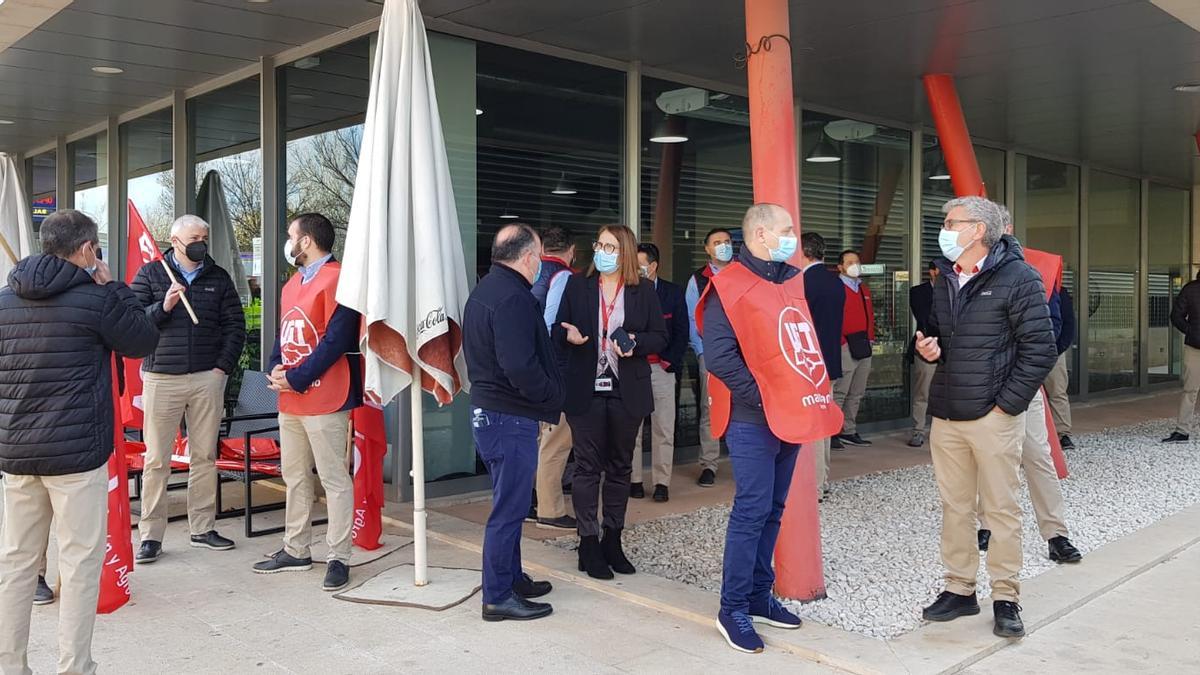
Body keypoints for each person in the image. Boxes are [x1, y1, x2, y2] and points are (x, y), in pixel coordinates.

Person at [0, 209, 159, 674]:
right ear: (88, 250)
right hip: (76, 458)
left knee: (16, 565)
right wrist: (113, 285)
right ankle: (74, 667)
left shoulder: (4, 301)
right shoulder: (96, 299)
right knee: (79, 563)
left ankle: (10, 666)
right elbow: (142, 340)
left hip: (18, 453)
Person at [915, 196, 1056, 639]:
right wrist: (932, 349)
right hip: (948, 411)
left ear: (977, 230)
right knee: (955, 507)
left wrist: (1005, 405)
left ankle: (1005, 596)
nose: (945, 228)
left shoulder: (1019, 277)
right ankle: (959, 589)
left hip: (993, 414)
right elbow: (948, 338)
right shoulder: (946, 278)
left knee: (1000, 509)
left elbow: (1041, 350)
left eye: (951, 222)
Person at [703, 204, 837, 653]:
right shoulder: (728, 285)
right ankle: (733, 607)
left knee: (774, 509)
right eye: (786, 230)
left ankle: (760, 596)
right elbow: (720, 358)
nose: (792, 237)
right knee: (752, 509)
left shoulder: (789, 281)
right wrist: (766, 397)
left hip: (790, 416)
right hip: (752, 419)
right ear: (761, 234)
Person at [251, 213, 363, 592]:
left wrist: (297, 377)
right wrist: (273, 367)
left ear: (306, 241)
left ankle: (339, 555)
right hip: (292, 399)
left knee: (333, 478)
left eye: (290, 235)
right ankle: (295, 548)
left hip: (326, 394)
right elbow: (284, 334)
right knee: (294, 477)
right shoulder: (292, 284)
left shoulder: (342, 279)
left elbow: (337, 339)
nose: (288, 241)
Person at [131, 214, 247, 563]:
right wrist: (163, 306)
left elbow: (235, 327)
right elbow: (133, 324)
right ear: (175, 239)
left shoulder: (218, 277)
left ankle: (202, 527)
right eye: (194, 236)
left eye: (205, 237)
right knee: (156, 460)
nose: (201, 243)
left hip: (206, 378)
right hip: (162, 377)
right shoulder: (151, 274)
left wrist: (220, 369)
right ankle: (151, 536)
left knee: (204, 456)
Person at [462, 224, 563, 621]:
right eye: (539, 254)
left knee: (513, 502)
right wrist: (549, 398)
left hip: (493, 412)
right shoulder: (512, 298)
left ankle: (511, 578)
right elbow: (519, 364)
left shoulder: (487, 291)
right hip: (509, 416)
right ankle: (498, 595)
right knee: (509, 508)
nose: (541, 262)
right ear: (527, 257)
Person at [554, 225, 667, 580]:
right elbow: (558, 328)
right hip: (585, 389)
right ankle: (587, 542)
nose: (603, 251)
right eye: (600, 245)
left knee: (620, 467)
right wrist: (567, 335)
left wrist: (636, 340)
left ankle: (613, 538)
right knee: (587, 467)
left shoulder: (643, 290)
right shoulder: (577, 285)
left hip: (626, 388)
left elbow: (660, 336)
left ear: (626, 253)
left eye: (611, 246)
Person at [975, 210, 1082, 565]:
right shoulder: (966, 272)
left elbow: (1046, 331)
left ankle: (1056, 533)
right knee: (987, 461)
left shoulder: (1033, 272)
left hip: (1023, 384)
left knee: (1038, 457)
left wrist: (1022, 379)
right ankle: (987, 523)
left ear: (1006, 229)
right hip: (983, 384)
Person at [630, 243, 688, 502]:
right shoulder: (627, 290)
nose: (636, 269)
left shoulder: (673, 293)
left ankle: (662, 482)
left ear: (653, 265)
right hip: (634, 368)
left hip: (662, 369)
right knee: (633, 428)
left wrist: (667, 361)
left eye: (641, 263)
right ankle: (634, 480)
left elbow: (681, 332)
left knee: (663, 427)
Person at [529, 226, 577, 530]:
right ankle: (550, 509)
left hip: (530, 369)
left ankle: (530, 502)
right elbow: (551, 324)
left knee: (538, 440)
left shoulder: (531, 272)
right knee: (556, 442)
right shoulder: (563, 277)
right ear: (571, 250)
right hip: (555, 371)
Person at [685, 227, 734, 487]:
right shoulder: (698, 280)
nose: (723, 246)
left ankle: (744, 459)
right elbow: (691, 318)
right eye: (717, 242)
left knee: (746, 407)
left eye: (727, 241)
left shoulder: (744, 274)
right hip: (712, 354)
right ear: (707, 248)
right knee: (711, 408)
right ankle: (709, 464)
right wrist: (702, 351)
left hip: (745, 353)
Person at [799, 232, 844, 499]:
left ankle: (814, 485)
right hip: (830, 361)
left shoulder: (803, 283)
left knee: (812, 427)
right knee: (823, 425)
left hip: (809, 365)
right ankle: (823, 478)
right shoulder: (835, 282)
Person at [831, 249, 875, 449]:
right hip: (845, 345)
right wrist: (840, 342)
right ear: (840, 267)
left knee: (857, 391)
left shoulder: (863, 289)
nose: (854, 265)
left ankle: (849, 429)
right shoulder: (836, 287)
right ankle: (833, 432)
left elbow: (869, 315)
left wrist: (871, 338)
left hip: (863, 344)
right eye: (849, 262)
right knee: (840, 391)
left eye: (856, 262)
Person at [1165, 270, 1200, 443]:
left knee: (1190, 391)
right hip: (1194, 347)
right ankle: (1182, 431)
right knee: (1190, 390)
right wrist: (1191, 331)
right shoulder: (1191, 289)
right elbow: (1176, 315)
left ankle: (1182, 431)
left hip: (1194, 344)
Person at [908, 261, 939, 447]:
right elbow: (924, 316)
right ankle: (918, 430)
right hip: (925, 346)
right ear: (932, 272)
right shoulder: (918, 292)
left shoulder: (956, 290)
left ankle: (940, 431)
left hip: (948, 349)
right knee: (923, 391)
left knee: (945, 393)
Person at [1046, 287, 1075, 450]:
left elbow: (1068, 322)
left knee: (1057, 391)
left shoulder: (1058, 290)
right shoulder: (1021, 284)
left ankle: (1062, 433)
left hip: (1054, 351)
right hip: (1025, 351)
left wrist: (1058, 348)